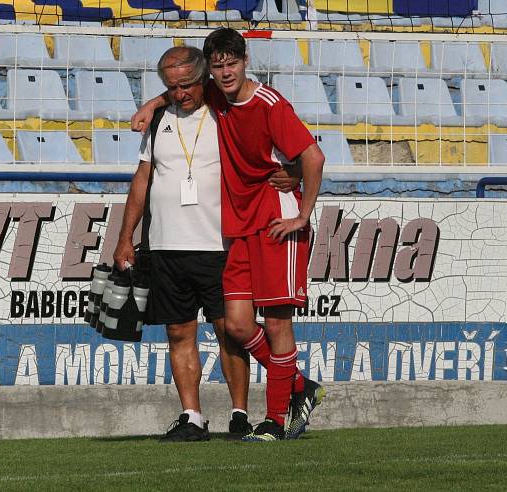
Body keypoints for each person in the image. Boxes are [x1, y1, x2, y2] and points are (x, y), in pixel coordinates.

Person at [133, 28, 326, 442]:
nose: (225, 72)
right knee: (237, 326)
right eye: (218, 66)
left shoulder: (270, 103)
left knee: (276, 324)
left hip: (277, 221)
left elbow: (313, 156)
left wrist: (303, 214)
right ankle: (296, 384)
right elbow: (180, 90)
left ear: (245, 60)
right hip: (239, 229)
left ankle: (277, 420)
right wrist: (152, 104)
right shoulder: (215, 96)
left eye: (231, 63)